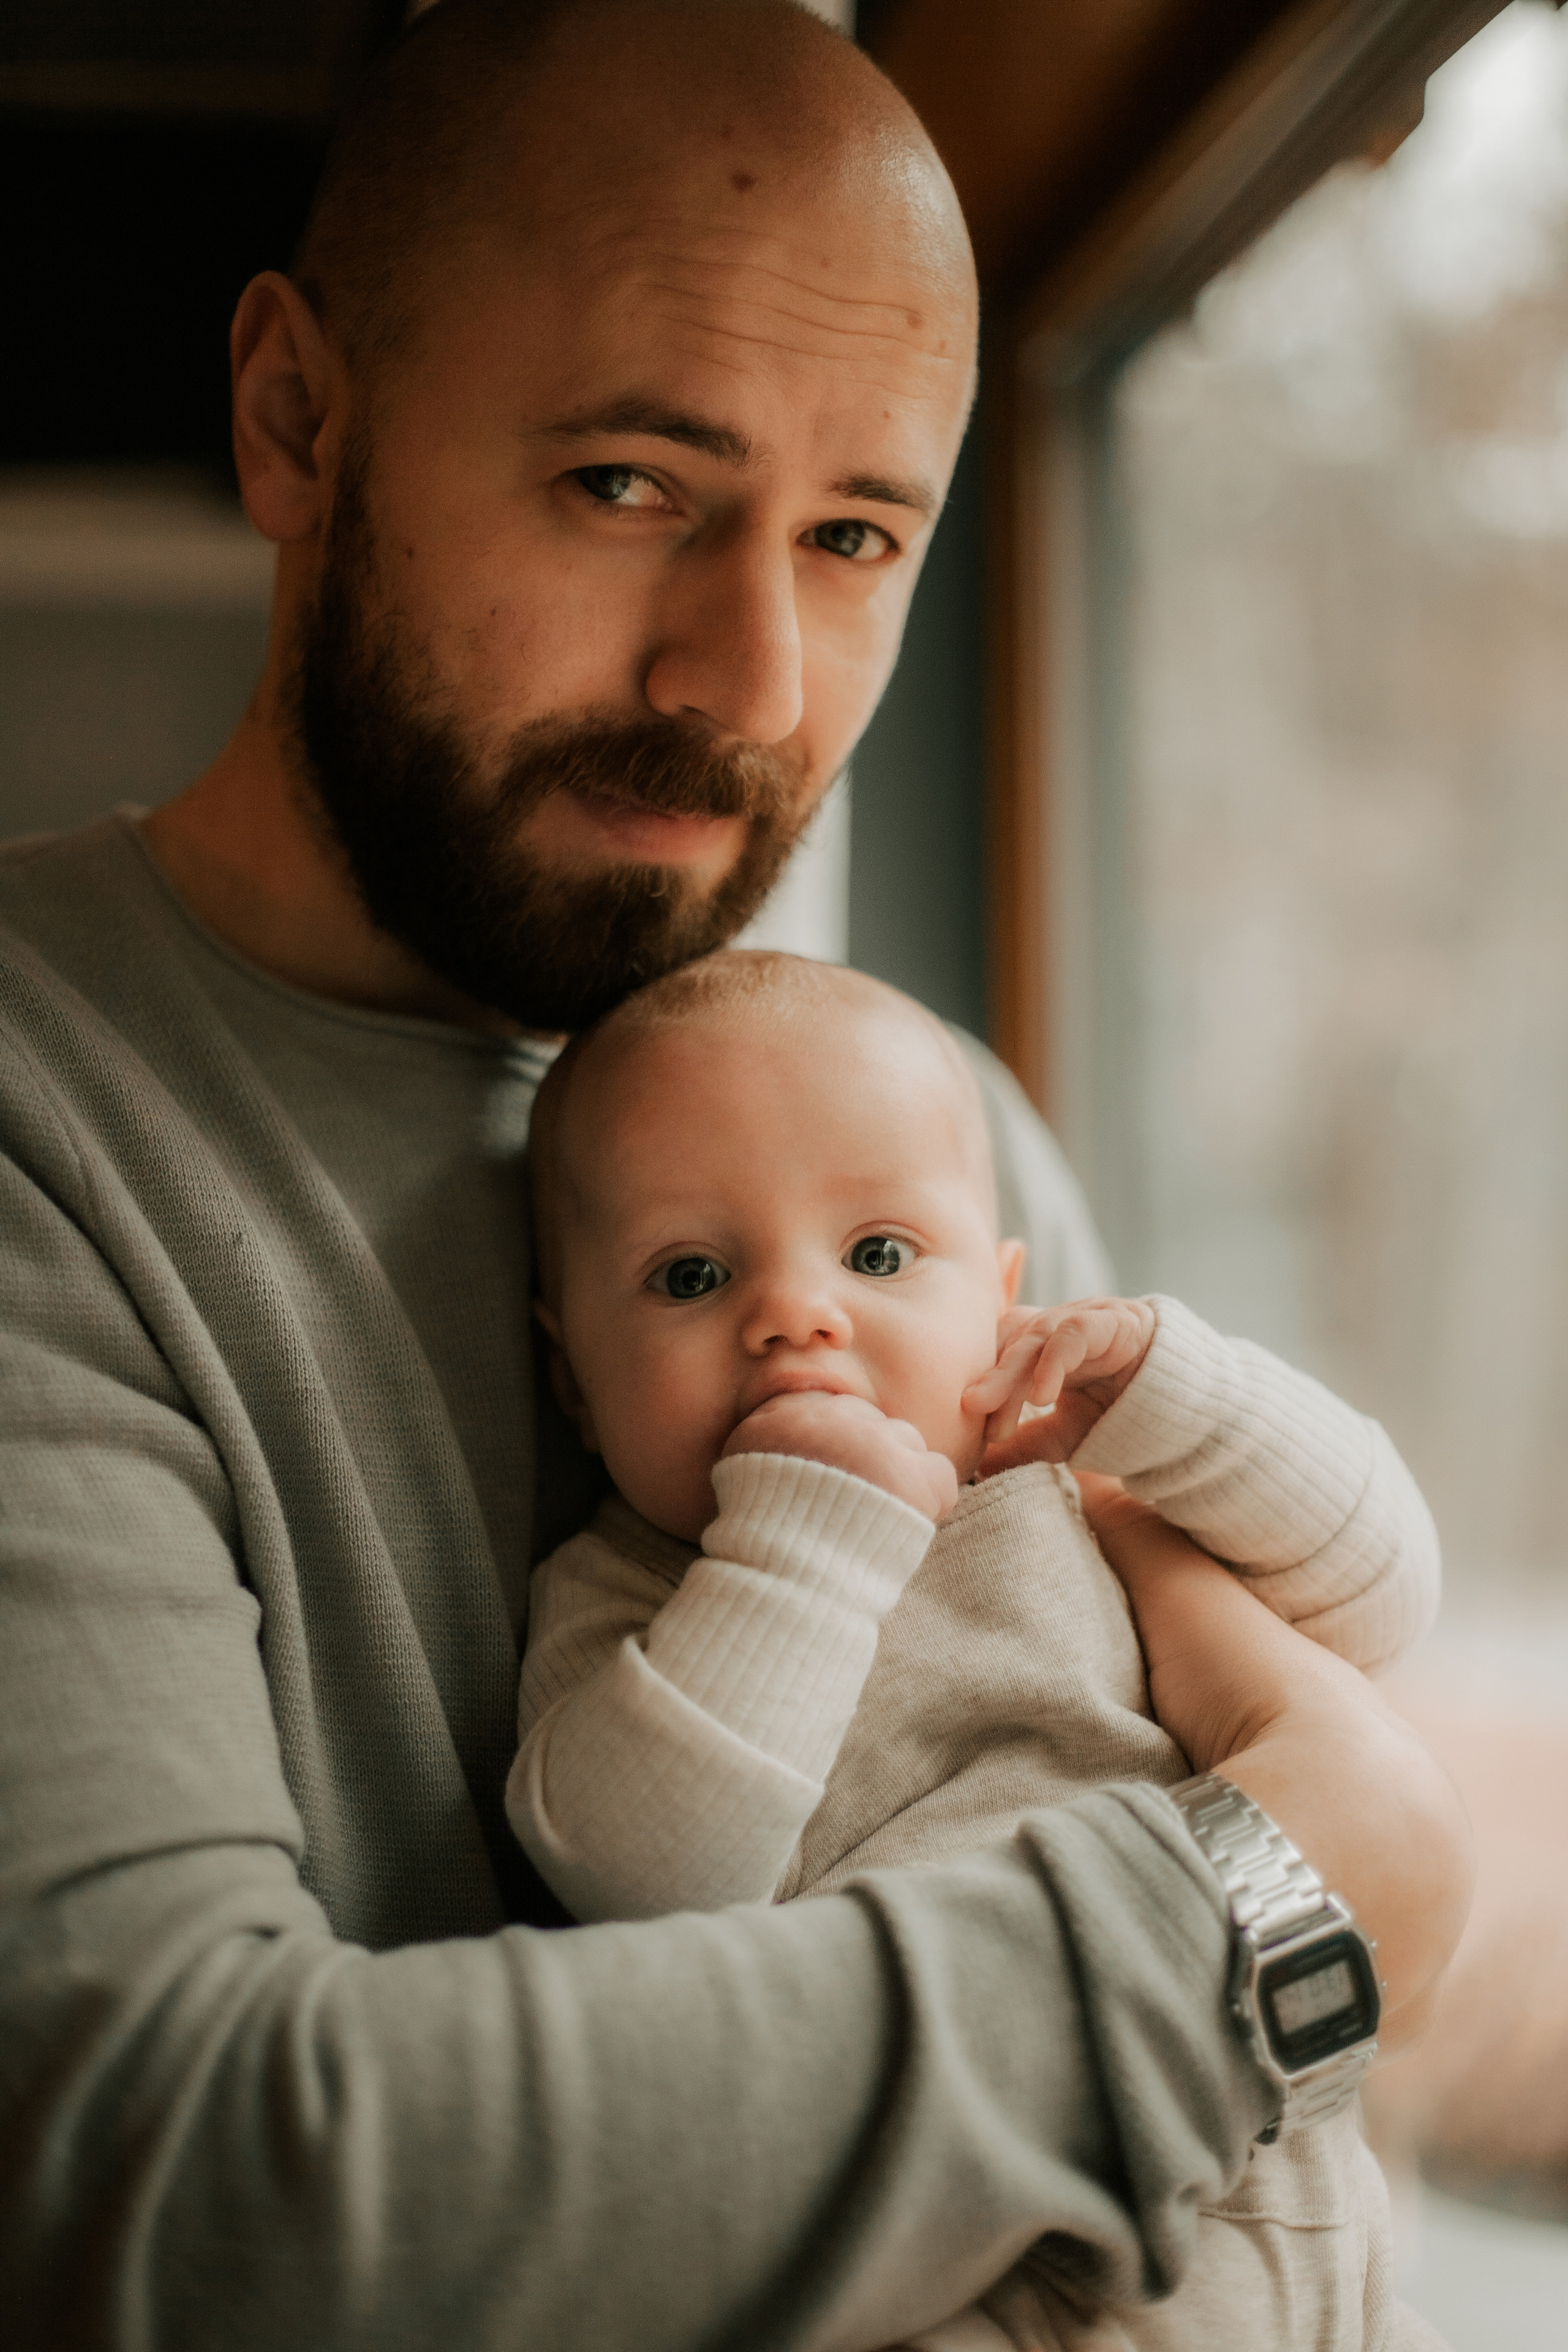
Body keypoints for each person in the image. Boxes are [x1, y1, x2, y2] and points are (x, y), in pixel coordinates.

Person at [0, 3, 1470, 2346]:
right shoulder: (40, 1121)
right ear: (299, 417)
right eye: (629, 485)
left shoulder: (921, 1120)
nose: (751, 675)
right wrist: (1265, 1916)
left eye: (859, 531)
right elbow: (185, 2193)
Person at [511, 949, 1442, 2350]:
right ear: (573, 1379)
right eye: (690, 1275)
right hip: (970, 2252)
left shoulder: (1061, 1489)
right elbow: (641, 1882)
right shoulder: (624, 1596)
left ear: (1000, 1292)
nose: (794, 1317)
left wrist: (1172, 1398)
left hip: (1299, 2198)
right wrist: (810, 1538)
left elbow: (1379, 1596)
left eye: (878, 1255)